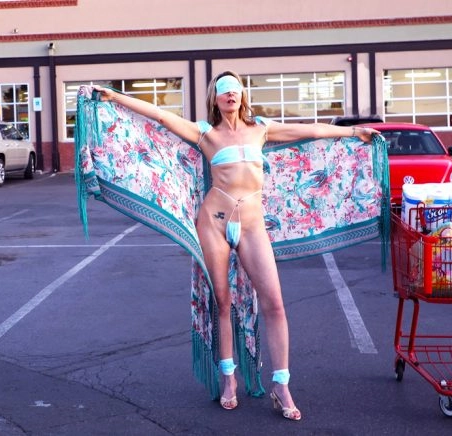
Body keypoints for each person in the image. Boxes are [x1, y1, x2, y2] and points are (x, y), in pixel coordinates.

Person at [89, 71, 379, 421]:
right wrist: (114, 97)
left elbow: (313, 131)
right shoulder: (206, 134)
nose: (230, 95)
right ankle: (228, 378)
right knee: (223, 303)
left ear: (243, 96)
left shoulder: (262, 129)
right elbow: (160, 116)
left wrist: (353, 131)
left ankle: (281, 384)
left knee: (275, 303)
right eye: (223, 90)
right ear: (214, 98)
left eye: (235, 90)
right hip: (214, 221)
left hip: (253, 225)